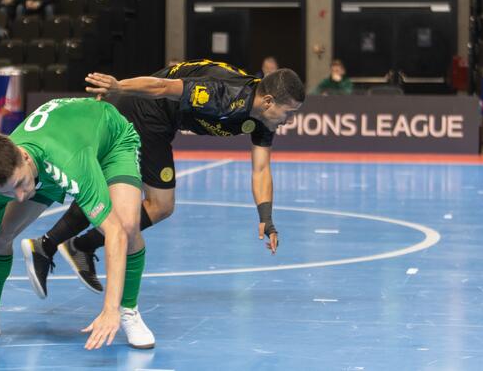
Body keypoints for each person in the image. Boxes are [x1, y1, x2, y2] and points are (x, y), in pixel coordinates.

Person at [22, 60, 304, 297]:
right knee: (157, 203)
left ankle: (69, 245)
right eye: (289, 113)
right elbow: (163, 87)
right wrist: (119, 86)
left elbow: (261, 169)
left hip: (165, 124)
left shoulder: (264, 119)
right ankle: (53, 245)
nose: (289, 120)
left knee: (149, 202)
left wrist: (266, 218)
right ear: (269, 101)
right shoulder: (226, 94)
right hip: (145, 110)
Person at [0, 98, 154, 360]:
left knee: (127, 225)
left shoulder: (68, 161)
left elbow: (115, 233)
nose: (19, 197)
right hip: (47, 165)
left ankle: (128, 310)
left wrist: (110, 309)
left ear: (24, 156)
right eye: (7, 191)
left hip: (110, 141)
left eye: (19, 184)